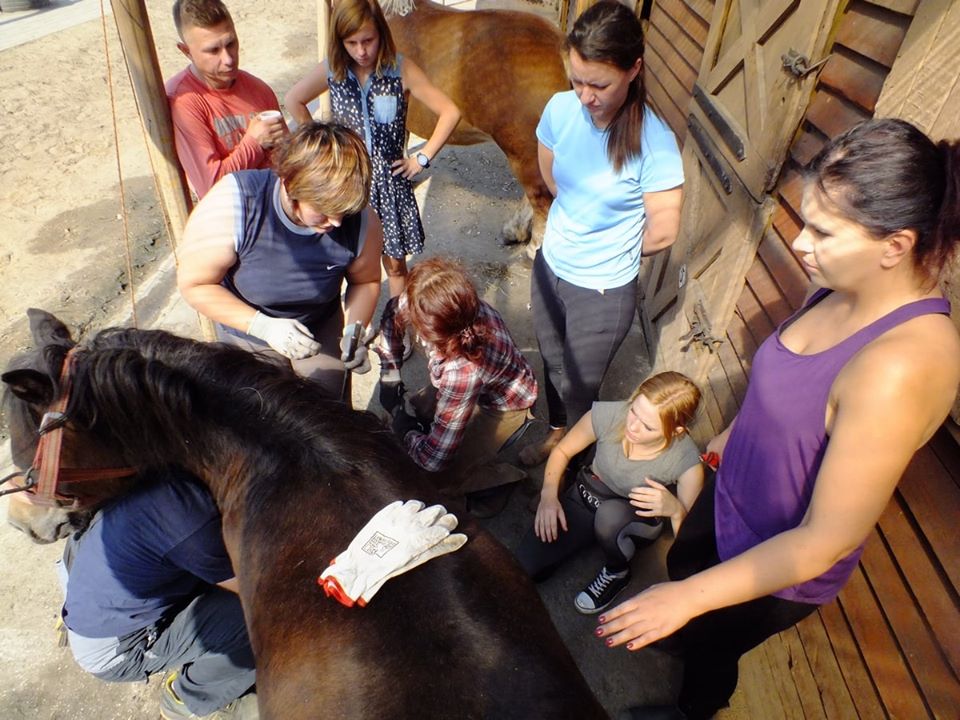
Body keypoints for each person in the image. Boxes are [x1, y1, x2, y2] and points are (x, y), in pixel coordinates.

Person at [598, 118, 960, 720]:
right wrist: (729, 436)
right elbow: (787, 387)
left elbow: (824, 540)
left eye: (822, 231)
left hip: (779, 562)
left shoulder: (901, 365)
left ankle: (694, 710)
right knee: (688, 592)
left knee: (713, 645)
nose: (799, 243)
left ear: (895, 246)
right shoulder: (841, 285)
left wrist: (689, 598)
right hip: (725, 496)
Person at [519, 1, 684, 469]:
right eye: (577, 80)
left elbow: (664, 230)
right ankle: (556, 434)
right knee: (552, 361)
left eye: (600, 85)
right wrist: (578, 224)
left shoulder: (654, 143)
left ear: (633, 69)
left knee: (580, 386)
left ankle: (572, 463)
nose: (585, 96)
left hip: (603, 288)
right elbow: (551, 176)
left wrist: (609, 244)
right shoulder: (560, 108)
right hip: (551, 264)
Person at [177, 122, 383, 401]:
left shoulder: (361, 221)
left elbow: (366, 281)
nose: (336, 222)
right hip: (248, 330)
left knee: (328, 407)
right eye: (323, 211)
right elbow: (195, 285)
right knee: (264, 410)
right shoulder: (235, 204)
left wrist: (353, 330)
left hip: (319, 321)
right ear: (288, 185)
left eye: (343, 212)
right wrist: (263, 326)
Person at [285, 0, 460, 300]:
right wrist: (323, 151)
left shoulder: (401, 69)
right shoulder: (333, 70)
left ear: (381, 33)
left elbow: (450, 112)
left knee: (395, 266)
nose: (361, 51)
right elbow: (293, 100)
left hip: (389, 182)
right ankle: (357, 322)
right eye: (351, 43)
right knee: (347, 263)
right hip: (349, 181)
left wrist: (421, 158)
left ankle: (396, 322)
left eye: (368, 40)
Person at [57, 467, 256, 720]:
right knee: (254, 622)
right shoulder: (193, 523)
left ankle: (83, 613)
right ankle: (187, 700)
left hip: (87, 593)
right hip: (117, 649)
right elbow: (257, 593)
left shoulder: (155, 470)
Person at [516, 372, 704, 615]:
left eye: (648, 426)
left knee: (610, 516)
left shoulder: (687, 462)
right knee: (524, 567)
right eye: (634, 411)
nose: (632, 426)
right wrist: (549, 496)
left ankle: (617, 572)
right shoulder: (610, 414)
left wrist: (676, 510)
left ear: (677, 431)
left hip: (633, 516)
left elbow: (687, 545)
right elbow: (562, 451)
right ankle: (573, 543)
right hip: (590, 494)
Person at [376, 257, 537, 518]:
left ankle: (499, 481)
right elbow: (393, 314)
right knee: (419, 412)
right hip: (473, 385)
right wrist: (389, 373)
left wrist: (405, 430)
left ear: (439, 334)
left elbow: (434, 459)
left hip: (505, 404)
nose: (419, 337)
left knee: (436, 478)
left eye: (422, 332)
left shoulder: (462, 370)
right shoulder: (437, 300)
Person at [167, 0, 288, 199]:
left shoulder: (259, 89)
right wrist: (255, 142)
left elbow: (289, 165)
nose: (229, 59)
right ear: (186, 51)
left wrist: (288, 145)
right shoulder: (184, 101)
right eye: (213, 50)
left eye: (231, 44)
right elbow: (211, 188)